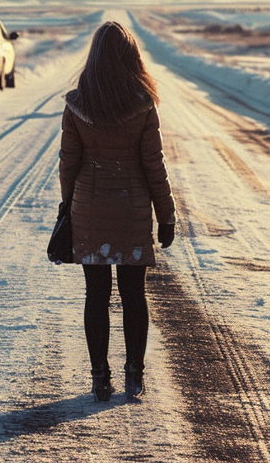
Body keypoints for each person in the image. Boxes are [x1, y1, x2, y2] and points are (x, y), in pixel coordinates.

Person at [59, 21, 176, 401]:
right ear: (131, 57)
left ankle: (99, 379)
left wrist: (67, 207)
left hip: (88, 211)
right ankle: (134, 376)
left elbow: (68, 164)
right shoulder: (143, 104)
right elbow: (153, 165)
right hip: (132, 210)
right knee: (133, 295)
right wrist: (166, 215)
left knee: (96, 296)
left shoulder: (77, 104)